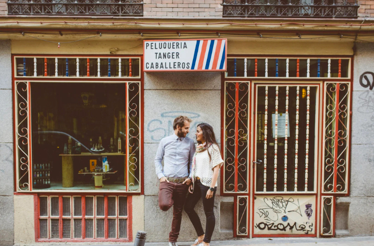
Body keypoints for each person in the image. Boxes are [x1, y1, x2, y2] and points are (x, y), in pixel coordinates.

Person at [155, 116, 196, 246]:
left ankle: (172, 241)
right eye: (186, 128)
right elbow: (157, 159)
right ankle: (169, 197)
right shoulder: (165, 141)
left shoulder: (190, 143)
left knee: (177, 212)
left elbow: (192, 163)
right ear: (178, 127)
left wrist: (190, 178)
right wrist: (160, 175)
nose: (188, 131)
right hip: (167, 182)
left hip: (182, 183)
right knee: (164, 205)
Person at [184, 123, 224, 246]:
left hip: (207, 183)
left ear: (205, 133)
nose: (196, 133)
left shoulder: (213, 148)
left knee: (208, 212)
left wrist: (211, 188)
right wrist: (192, 180)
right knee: (188, 207)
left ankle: (206, 242)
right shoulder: (199, 148)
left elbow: (216, 169)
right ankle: (201, 235)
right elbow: (196, 167)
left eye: (198, 131)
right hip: (197, 183)